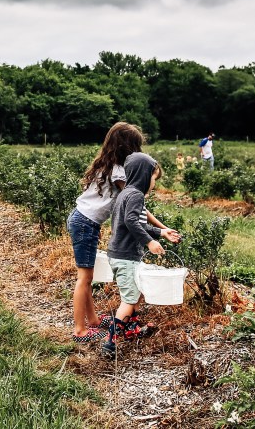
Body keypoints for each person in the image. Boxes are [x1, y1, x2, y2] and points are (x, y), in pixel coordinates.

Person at [67, 122, 177, 343]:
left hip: (84, 220)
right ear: (127, 147)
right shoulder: (119, 173)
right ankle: (80, 330)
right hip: (85, 222)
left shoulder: (108, 165)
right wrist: (162, 229)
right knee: (85, 278)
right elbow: (136, 209)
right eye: (136, 147)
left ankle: (94, 322)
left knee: (88, 276)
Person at [101, 152, 180, 359]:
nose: (154, 182)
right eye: (154, 177)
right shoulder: (135, 195)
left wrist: (161, 232)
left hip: (122, 255)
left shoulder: (126, 193)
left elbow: (137, 222)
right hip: (125, 257)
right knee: (129, 299)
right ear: (144, 175)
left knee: (134, 295)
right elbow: (132, 222)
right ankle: (110, 342)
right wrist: (149, 241)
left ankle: (131, 328)